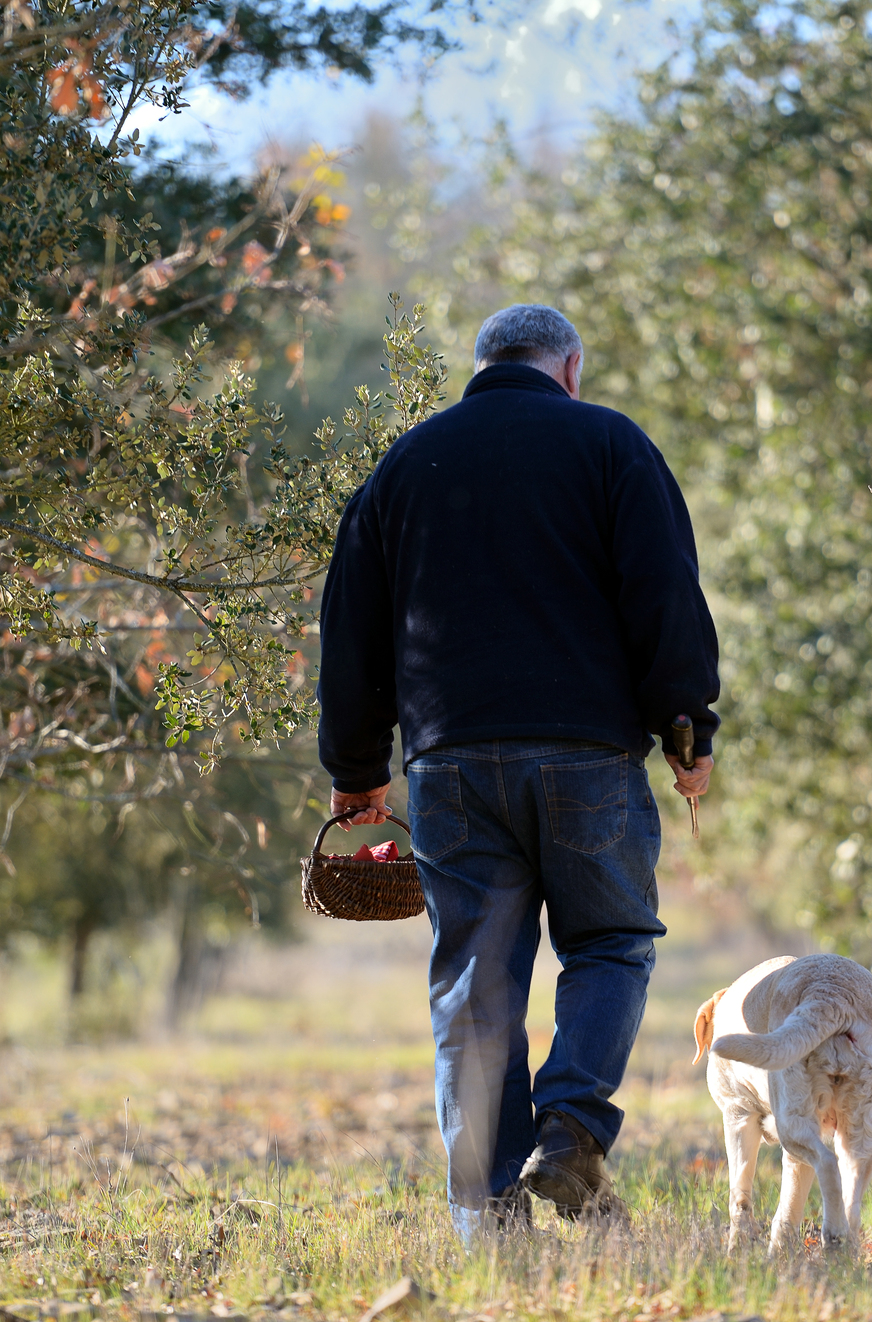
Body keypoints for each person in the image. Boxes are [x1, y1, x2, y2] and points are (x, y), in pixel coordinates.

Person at [316, 304, 720, 1238]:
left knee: (475, 988)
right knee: (612, 942)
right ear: (568, 367)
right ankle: (573, 1125)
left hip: (450, 764)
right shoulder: (611, 445)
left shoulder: (405, 466)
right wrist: (687, 729)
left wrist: (356, 768)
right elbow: (664, 593)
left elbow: (351, 627)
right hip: (587, 755)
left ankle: (488, 1224)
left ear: (482, 365)